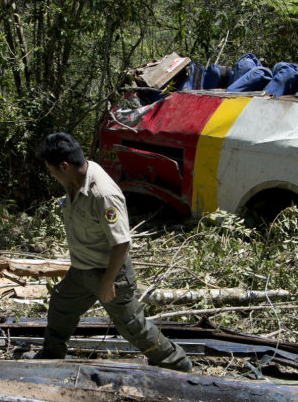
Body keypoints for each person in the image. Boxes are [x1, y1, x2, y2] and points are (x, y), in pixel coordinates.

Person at [27, 132, 192, 372]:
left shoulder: (103, 194)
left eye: (52, 171)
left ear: (64, 166)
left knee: (132, 325)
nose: (52, 176)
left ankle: (178, 363)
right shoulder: (74, 180)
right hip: (82, 270)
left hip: (109, 273)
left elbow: (121, 242)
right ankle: (52, 353)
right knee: (61, 307)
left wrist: (108, 281)